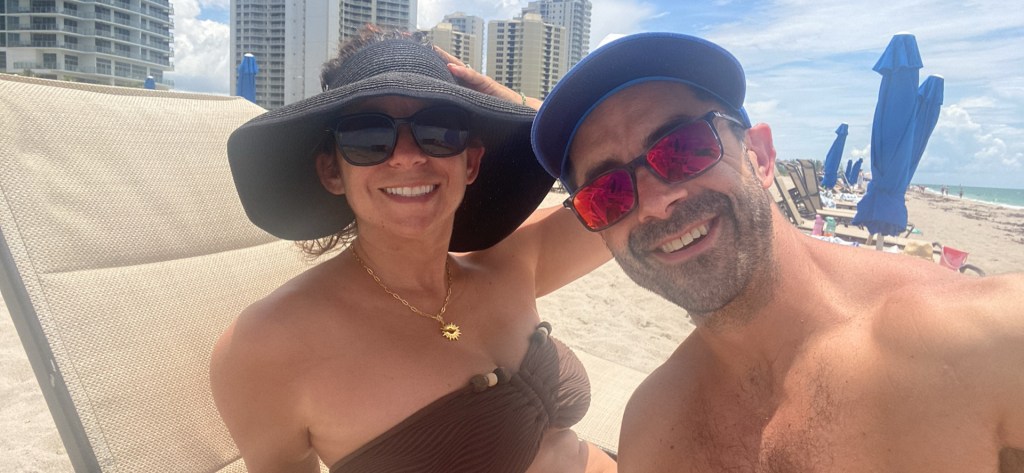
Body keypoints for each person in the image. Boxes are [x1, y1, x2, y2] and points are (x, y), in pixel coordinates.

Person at [531, 32, 1024, 472]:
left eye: (683, 148)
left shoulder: (986, 346)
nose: (657, 204)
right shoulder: (653, 429)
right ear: (596, 227)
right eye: (607, 193)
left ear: (761, 157)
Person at [212, 26, 615, 473]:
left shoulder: (512, 262)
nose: (405, 157)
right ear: (331, 171)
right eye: (367, 138)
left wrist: (520, 108)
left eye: (439, 131)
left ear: (471, 162)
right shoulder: (267, 347)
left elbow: (630, 191)